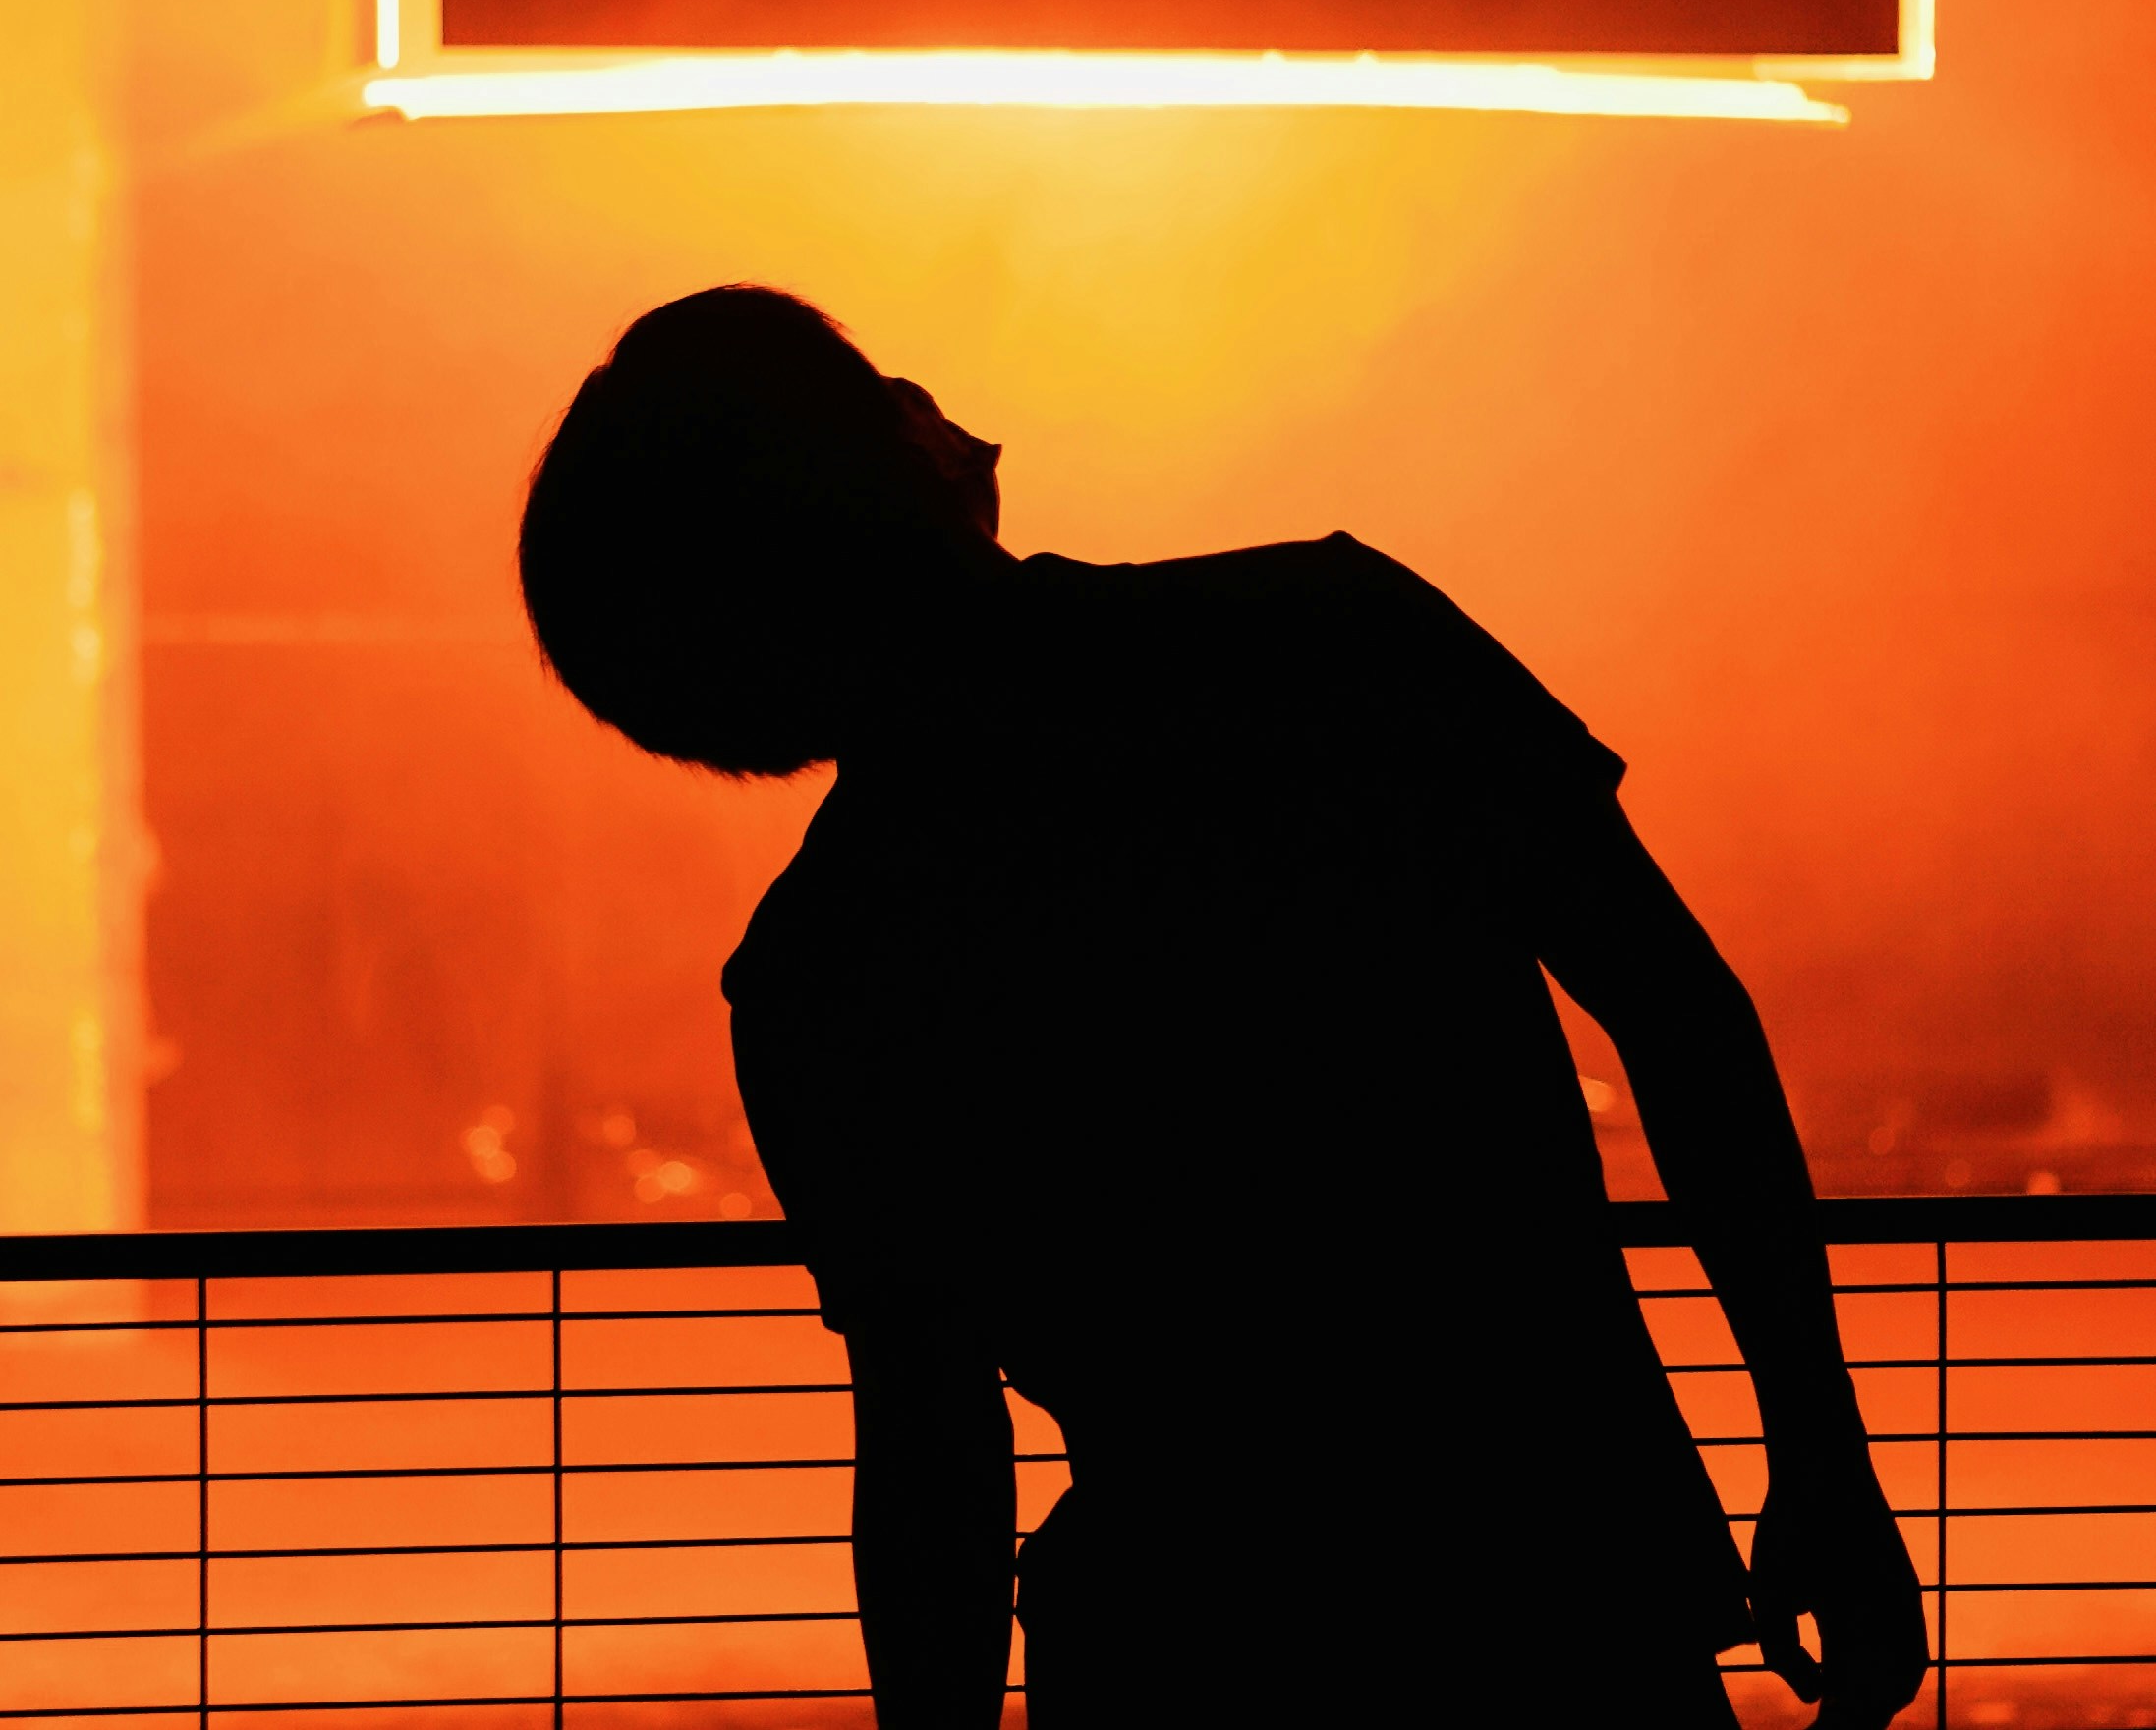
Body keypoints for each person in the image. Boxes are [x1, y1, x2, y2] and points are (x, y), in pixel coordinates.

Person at [518, 283, 1927, 1730]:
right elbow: (1677, 1013)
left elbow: (932, 1442)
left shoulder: (820, 970)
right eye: (882, 387)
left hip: (1173, 1641)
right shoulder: (1329, 631)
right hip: (1554, 1586)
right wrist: (1820, 1450)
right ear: (888, 473)